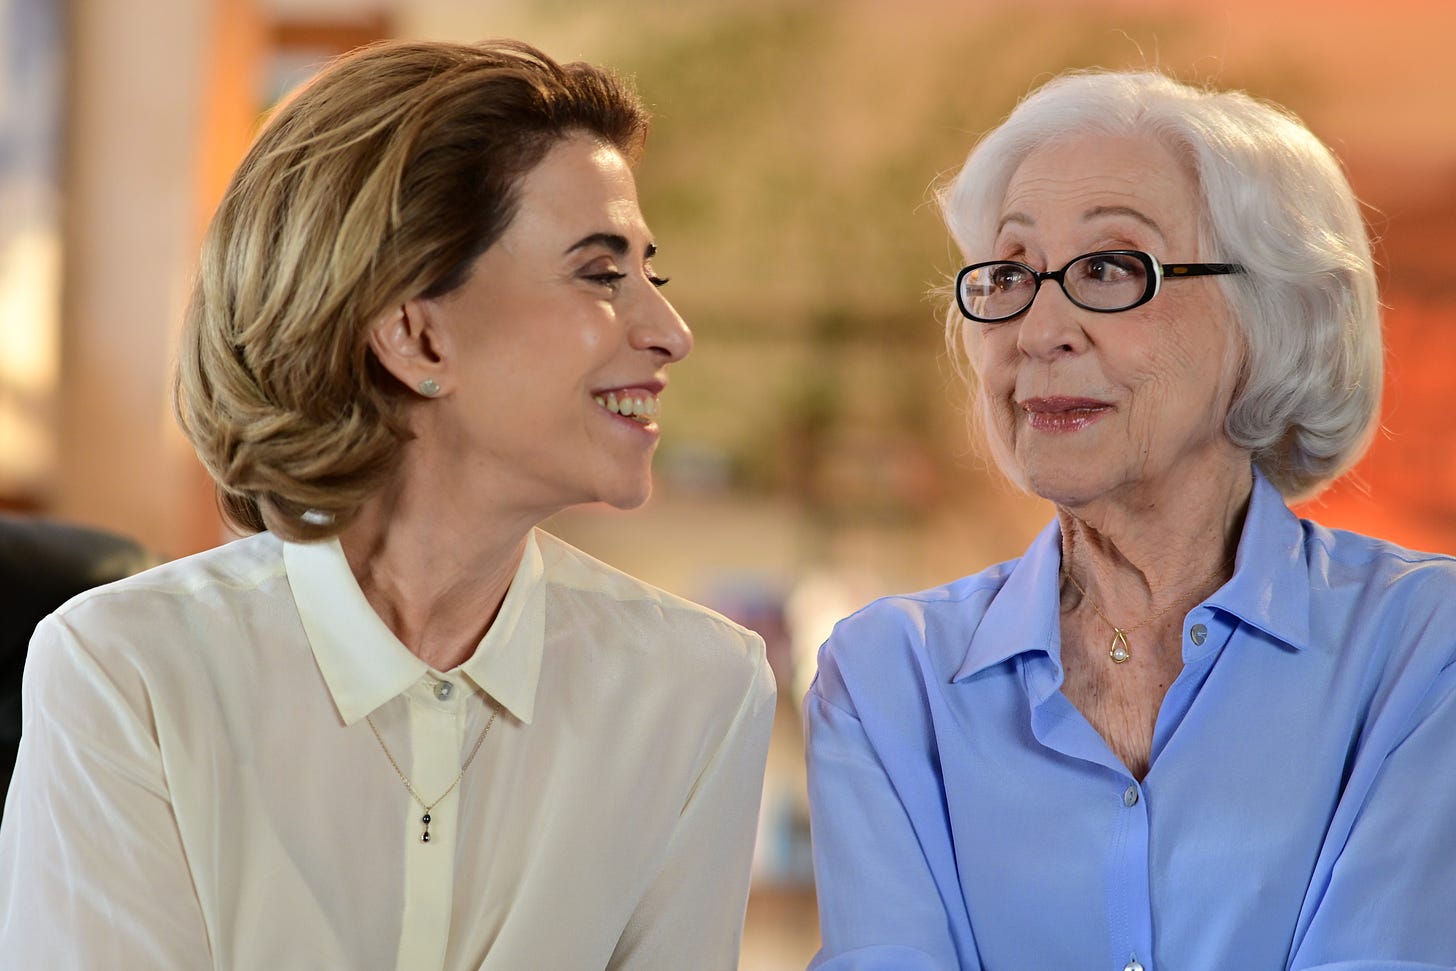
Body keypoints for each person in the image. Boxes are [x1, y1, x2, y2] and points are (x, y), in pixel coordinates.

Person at [0, 40, 775, 969]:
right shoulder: (125, 673)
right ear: (414, 334)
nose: (669, 331)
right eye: (601, 273)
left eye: (654, 274)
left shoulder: (699, 690)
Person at [805, 69, 1456, 970]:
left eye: (1111, 267)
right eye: (1008, 274)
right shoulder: (887, 677)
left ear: (1271, 316)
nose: (1038, 331)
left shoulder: (1424, 648)